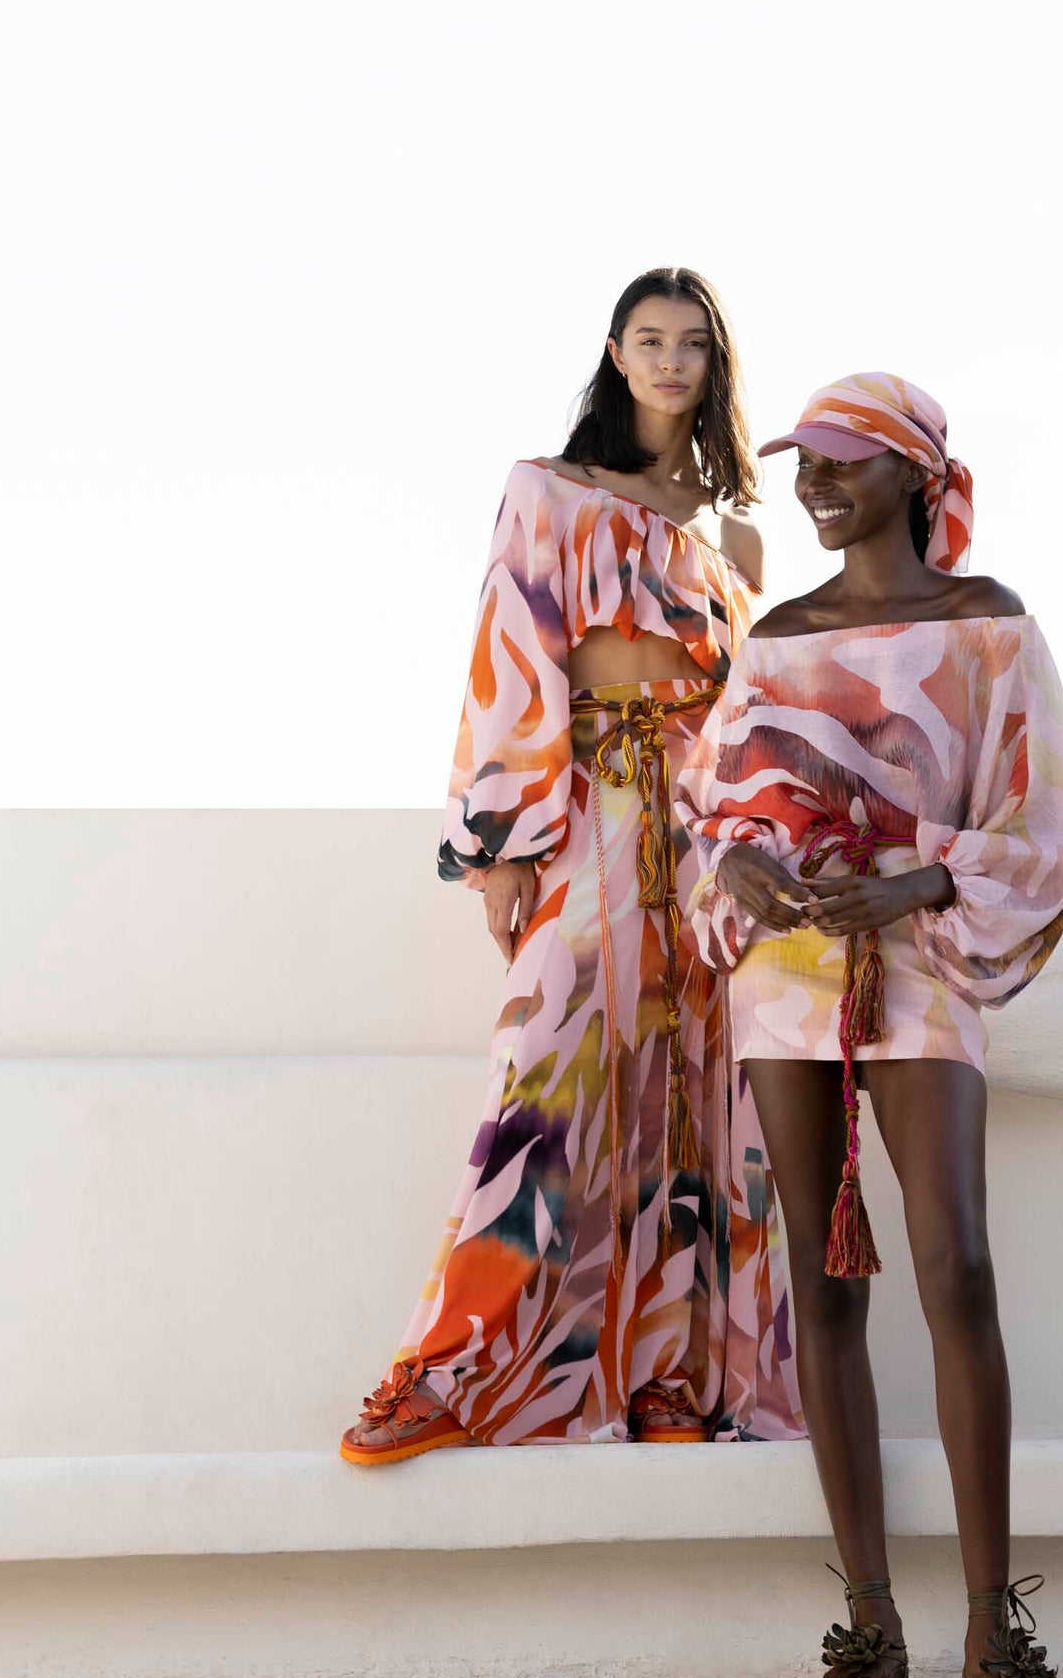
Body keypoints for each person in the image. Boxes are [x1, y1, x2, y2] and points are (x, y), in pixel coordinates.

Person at [677, 372, 1063, 1678]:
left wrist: (915, 885)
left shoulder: (989, 629)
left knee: (955, 1264)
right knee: (823, 1282)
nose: (811, 483)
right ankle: (869, 1616)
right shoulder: (778, 635)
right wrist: (741, 868)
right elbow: (716, 809)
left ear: (915, 475)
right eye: (804, 464)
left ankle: (993, 1635)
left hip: (921, 965)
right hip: (789, 979)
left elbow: (1044, 824)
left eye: (842, 462)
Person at [341, 271, 801, 1459]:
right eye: (649, 340)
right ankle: (450, 1369)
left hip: (701, 833)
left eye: (691, 343)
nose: (669, 360)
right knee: (544, 1079)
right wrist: (500, 852)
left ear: (715, 364)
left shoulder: (734, 531)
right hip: (591, 803)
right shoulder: (547, 490)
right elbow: (510, 644)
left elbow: (750, 708)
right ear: (615, 352)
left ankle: (668, 1380)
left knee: (699, 1089)